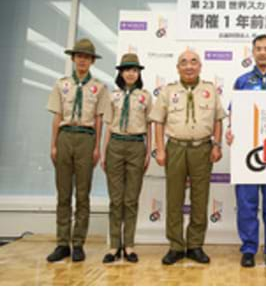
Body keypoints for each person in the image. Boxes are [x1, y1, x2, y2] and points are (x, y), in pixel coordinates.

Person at [150, 49, 226, 265]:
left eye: (194, 62)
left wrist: (217, 145)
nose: (189, 66)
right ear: (178, 67)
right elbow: (158, 120)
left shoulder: (210, 90)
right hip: (175, 148)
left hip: (202, 148)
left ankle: (195, 245)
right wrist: (160, 149)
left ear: (200, 66)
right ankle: (175, 245)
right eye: (184, 62)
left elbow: (218, 119)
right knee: (174, 198)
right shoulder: (168, 91)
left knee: (200, 199)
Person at [226, 35, 266, 268]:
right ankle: (249, 248)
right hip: (247, 153)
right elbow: (234, 114)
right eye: (258, 49)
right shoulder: (242, 81)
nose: (262, 52)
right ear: (252, 52)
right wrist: (230, 131)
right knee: (247, 203)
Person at [46, 38, 109, 262]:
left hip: (86, 138)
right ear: (73, 58)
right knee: (63, 193)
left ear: (92, 61)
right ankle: (62, 242)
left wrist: (97, 147)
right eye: (79, 56)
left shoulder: (100, 87)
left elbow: (100, 119)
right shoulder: (61, 84)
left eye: (87, 57)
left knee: (83, 194)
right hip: (65, 137)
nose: (82, 60)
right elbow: (57, 116)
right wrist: (53, 144)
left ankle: (78, 243)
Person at [100, 53, 152, 263]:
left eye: (134, 70)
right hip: (115, 144)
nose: (131, 73)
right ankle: (114, 246)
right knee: (115, 199)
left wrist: (148, 151)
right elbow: (108, 127)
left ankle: (129, 245)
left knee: (131, 199)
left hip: (136, 145)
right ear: (120, 73)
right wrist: (104, 152)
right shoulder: (112, 96)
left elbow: (149, 126)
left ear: (138, 73)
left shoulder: (145, 96)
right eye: (127, 69)